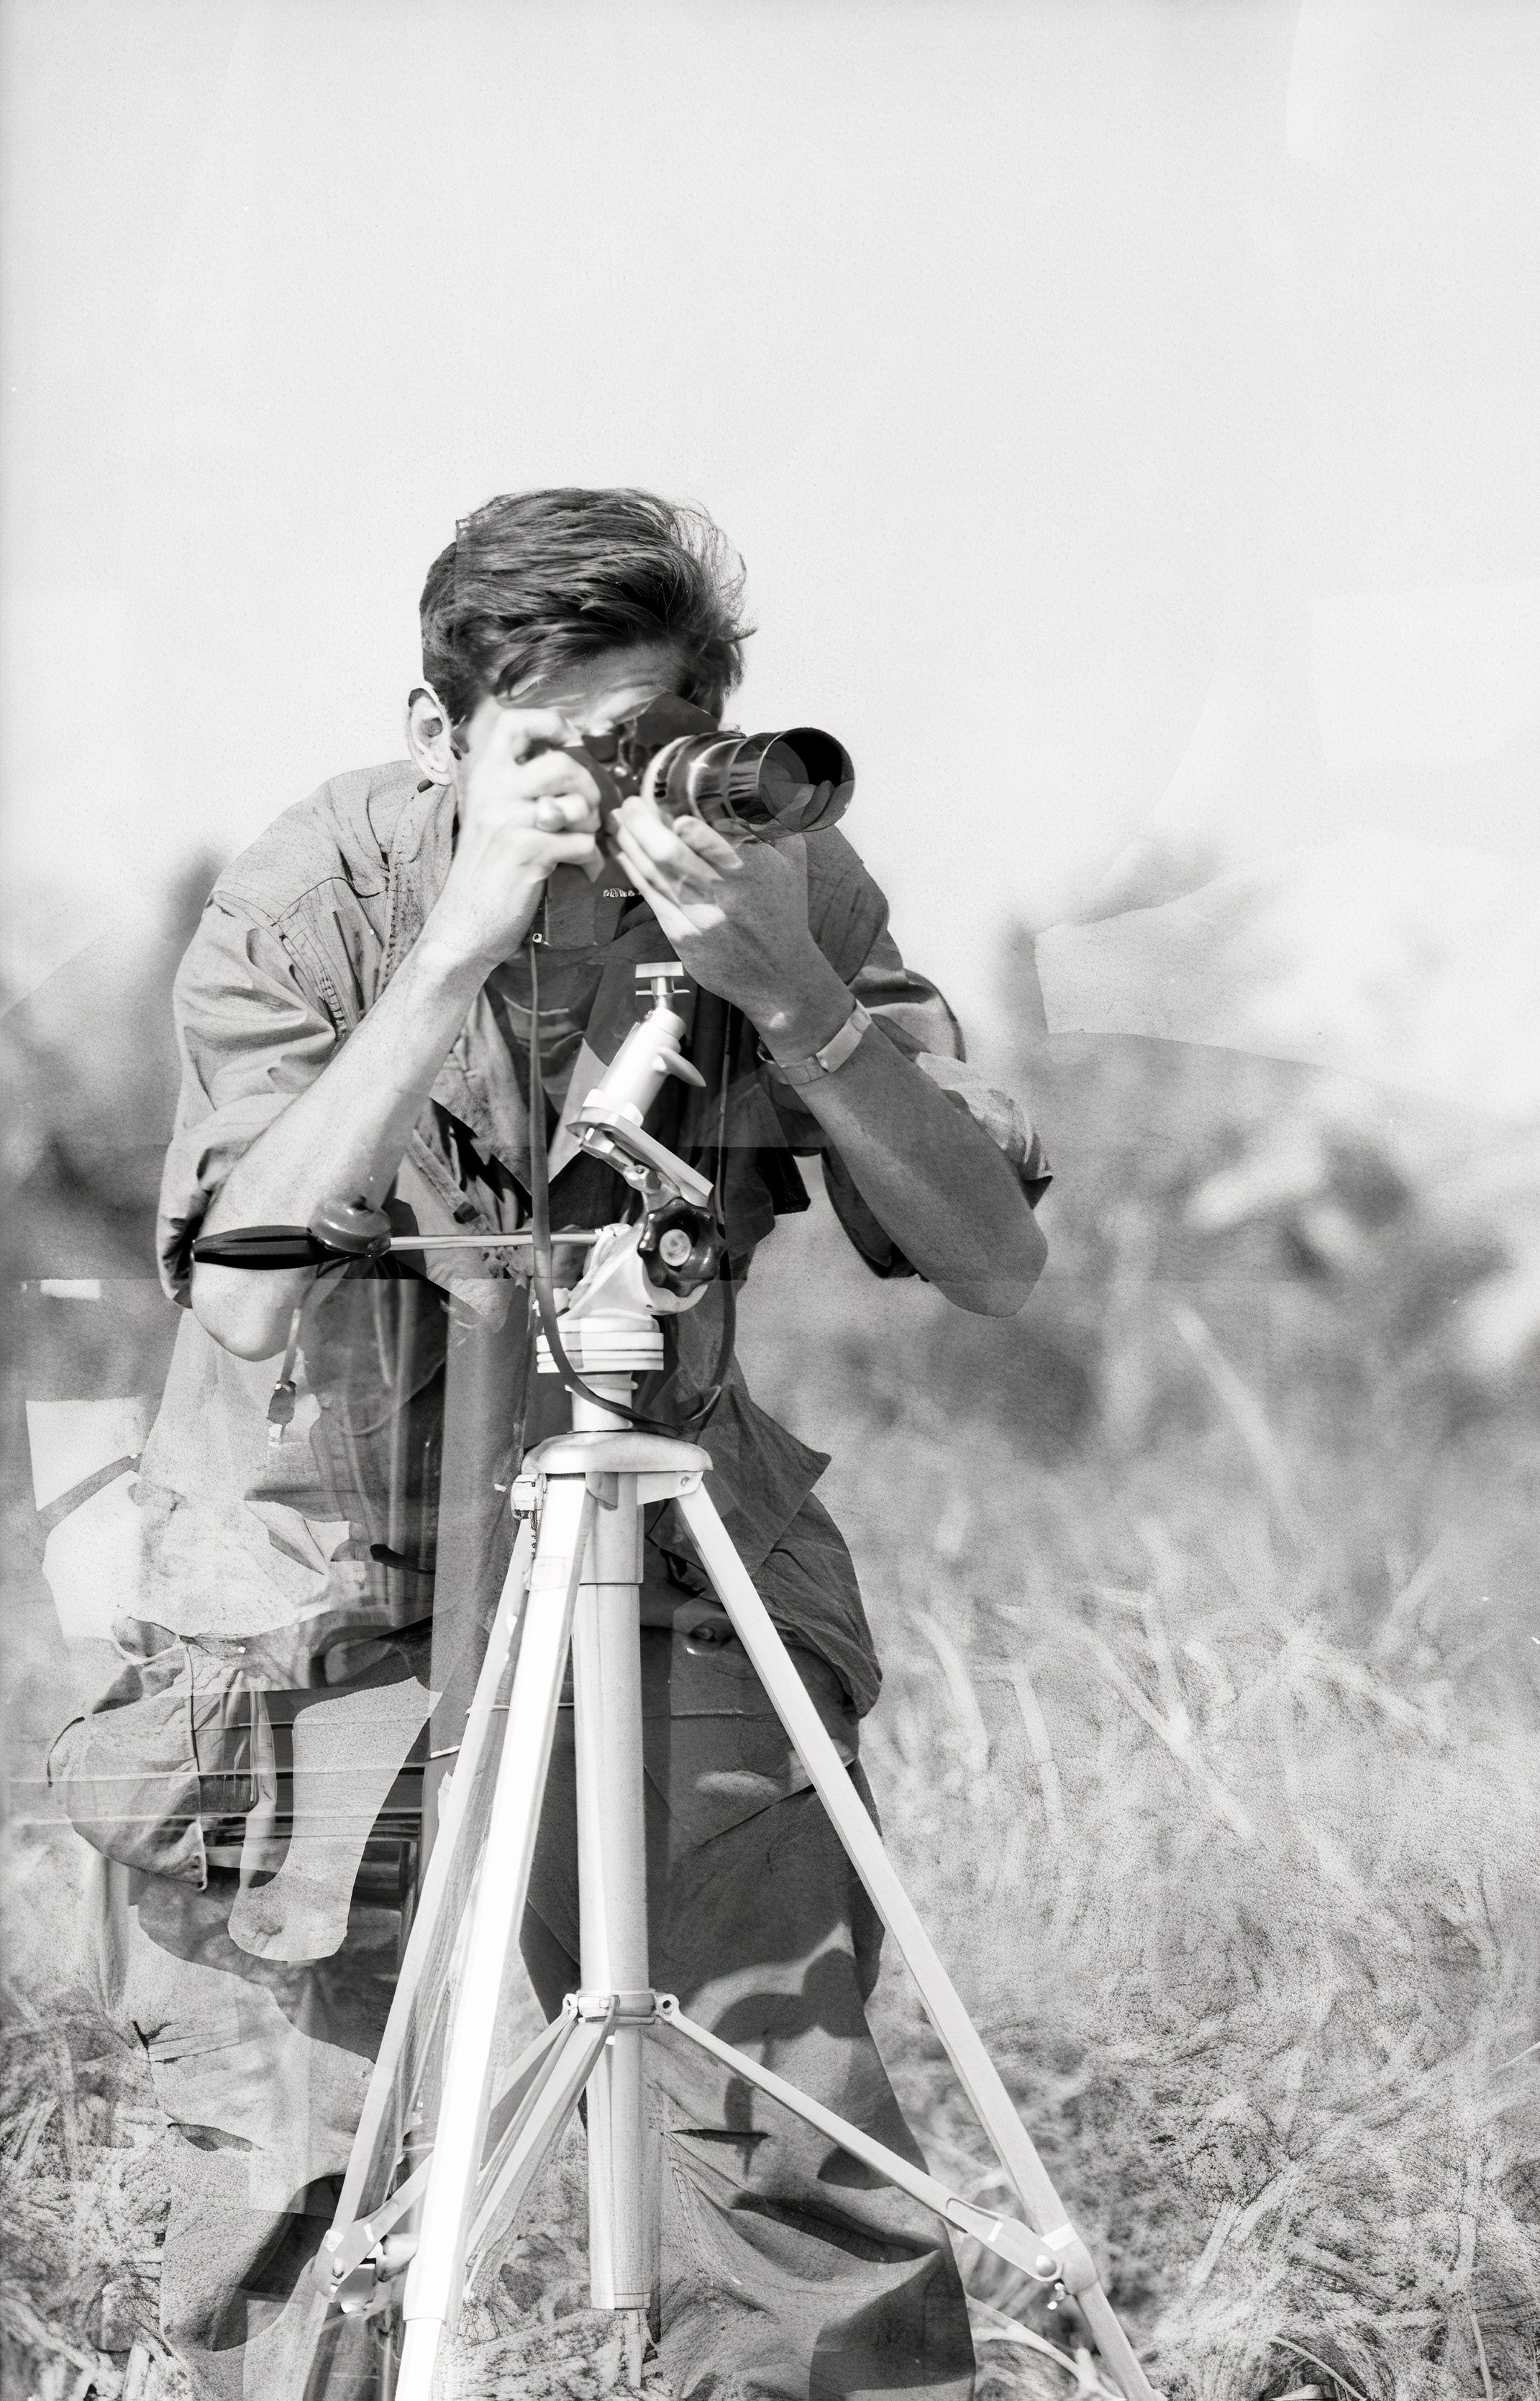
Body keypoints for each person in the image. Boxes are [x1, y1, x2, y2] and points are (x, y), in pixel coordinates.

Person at [47, 488, 1050, 2401]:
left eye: (649, 738)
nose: (614, 793)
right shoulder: (319, 892)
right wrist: (459, 948)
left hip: (654, 1543)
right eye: (557, 751)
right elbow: (241, 1288)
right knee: (303, 2203)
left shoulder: (779, 885)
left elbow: (995, 1260)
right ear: (440, 738)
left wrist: (798, 999)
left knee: (785, 2138)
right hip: (318, 1577)